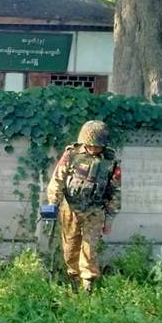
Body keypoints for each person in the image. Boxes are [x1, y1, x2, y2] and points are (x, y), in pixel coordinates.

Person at [44, 120, 121, 293]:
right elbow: (57, 180)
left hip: (95, 212)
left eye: (97, 146)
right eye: (90, 145)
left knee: (89, 249)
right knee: (70, 249)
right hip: (70, 210)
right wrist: (52, 206)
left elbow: (115, 190)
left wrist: (110, 218)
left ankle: (88, 287)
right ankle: (74, 283)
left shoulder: (111, 161)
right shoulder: (71, 155)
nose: (93, 149)